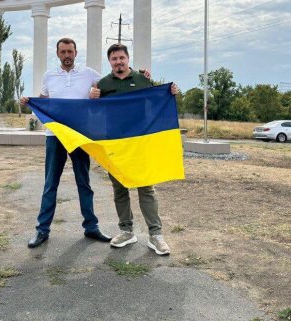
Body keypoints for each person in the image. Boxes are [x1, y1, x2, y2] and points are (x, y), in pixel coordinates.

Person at [21, 38, 112, 248]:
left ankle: (91, 227)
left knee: (84, 182)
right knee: (50, 184)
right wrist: (29, 101)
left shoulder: (89, 73)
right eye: (63, 52)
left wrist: (138, 74)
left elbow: (112, 83)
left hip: (79, 135)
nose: (67, 55)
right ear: (57, 54)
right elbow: (44, 101)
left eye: (70, 51)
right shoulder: (49, 76)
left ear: (76, 52)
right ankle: (42, 230)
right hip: (55, 136)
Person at [89, 43, 178, 256]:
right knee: (120, 190)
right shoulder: (102, 84)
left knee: (146, 188)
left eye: (121, 58)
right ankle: (126, 231)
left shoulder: (142, 80)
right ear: (109, 62)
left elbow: (158, 100)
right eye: (114, 59)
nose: (118, 62)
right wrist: (92, 99)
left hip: (140, 143)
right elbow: (93, 114)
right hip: (115, 144)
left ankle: (155, 236)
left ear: (127, 59)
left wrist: (171, 92)